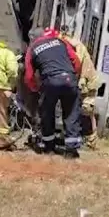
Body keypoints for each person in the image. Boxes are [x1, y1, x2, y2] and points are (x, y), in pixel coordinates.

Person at [23, 27, 82, 158]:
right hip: (69, 79)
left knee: (47, 112)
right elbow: (75, 61)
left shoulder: (32, 48)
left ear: (32, 38)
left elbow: (28, 75)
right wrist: (74, 76)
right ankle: (71, 150)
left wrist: (35, 89)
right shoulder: (60, 41)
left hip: (50, 81)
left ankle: (49, 147)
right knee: (71, 113)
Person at [60, 28, 100, 149]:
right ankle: (88, 138)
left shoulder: (77, 47)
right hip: (85, 81)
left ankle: (92, 139)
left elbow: (76, 64)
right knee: (81, 110)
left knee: (87, 110)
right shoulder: (74, 45)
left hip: (88, 81)